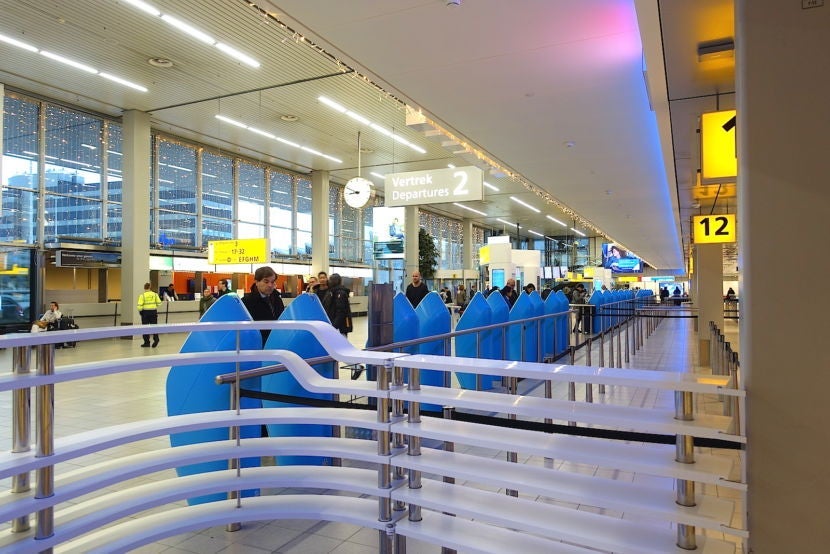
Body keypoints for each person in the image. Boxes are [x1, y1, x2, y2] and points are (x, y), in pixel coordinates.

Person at [241, 266, 285, 343]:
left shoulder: (277, 300)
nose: (270, 285)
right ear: (256, 282)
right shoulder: (246, 302)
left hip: (277, 342)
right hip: (256, 344)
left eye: (272, 282)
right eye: (266, 282)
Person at [137, 283, 162, 347]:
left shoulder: (142, 295)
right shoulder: (155, 294)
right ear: (150, 287)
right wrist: (154, 306)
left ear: (144, 288)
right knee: (154, 327)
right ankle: (156, 339)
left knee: (145, 328)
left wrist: (141, 311)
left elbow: (139, 306)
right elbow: (159, 303)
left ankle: (146, 342)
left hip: (145, 313)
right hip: (153, 312)